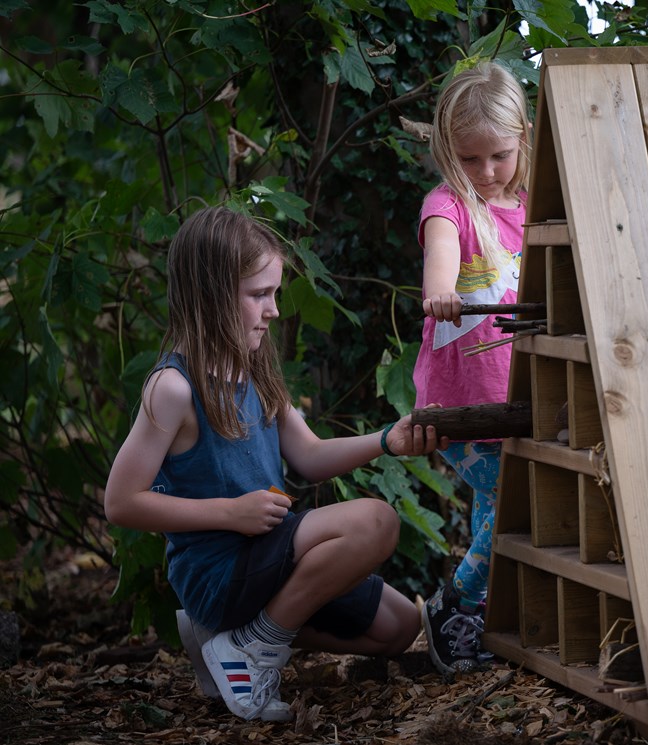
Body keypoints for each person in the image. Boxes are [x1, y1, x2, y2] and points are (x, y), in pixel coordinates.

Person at [103, 205, 449, 723]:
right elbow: (121, 502)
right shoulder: (173, 387)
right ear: (213, 295)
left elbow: (310, 456)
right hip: (219, 570)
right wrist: (229, 513)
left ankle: (226, 642)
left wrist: (386, 440)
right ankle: (250, 649)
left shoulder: (255, 368)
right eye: (259, 295)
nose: (273, 310)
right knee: (376, 521)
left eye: (274, 294)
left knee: (398, 627)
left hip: (266, 562)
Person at [412, 60, 531, 674]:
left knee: (501, 505)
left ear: (523, 142)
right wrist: (442, 289)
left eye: (500, 157)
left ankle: (477, 613)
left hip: (513, 392)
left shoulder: (534, 208)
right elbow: (440, 257)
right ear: (446, 150)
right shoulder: (447, 206)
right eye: (471, 158)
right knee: (510, 494)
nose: (485, 173)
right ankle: (455, 603)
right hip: (457, 399)